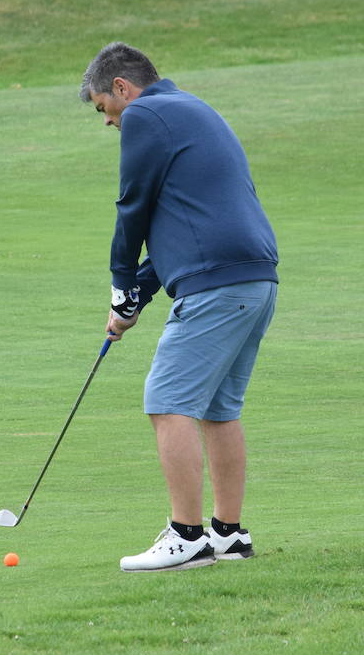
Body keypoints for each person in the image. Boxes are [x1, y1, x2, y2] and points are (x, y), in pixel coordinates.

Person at [78, 43, 279, 572]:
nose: (109, 122)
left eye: (105, 108)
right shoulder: (193, 109)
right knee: (218, 408)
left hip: (218, 285)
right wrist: (138, 296)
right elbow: (187, 225)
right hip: (253, 279)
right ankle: (228, 534)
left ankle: (186, 537)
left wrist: (121, 284)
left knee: (167, 401)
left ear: (122, 88)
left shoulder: (146, 112)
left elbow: (133, 206)